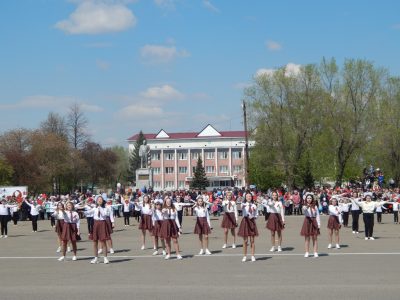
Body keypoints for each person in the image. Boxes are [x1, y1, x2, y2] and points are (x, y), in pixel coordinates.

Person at [89, 195, 110, 264]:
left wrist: (100, 207)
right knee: (95, 242)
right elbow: (89, 213)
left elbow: (104, 215)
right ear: (96, 201)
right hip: (95, 224)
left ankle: (105, 258)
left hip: (102, 224)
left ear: (103, 201)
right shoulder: (94, 208)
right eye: (98, 199)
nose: (99, 200)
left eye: (101, 199)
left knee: (103, 241)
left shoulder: (105, 208)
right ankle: (96, 258)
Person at [238, 192, 258, 262]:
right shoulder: (243, 204)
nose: (249, 197)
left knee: (252, 240)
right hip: (245, 221)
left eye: (250, 196)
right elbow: (241, 207)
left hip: (252, 221)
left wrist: (254, 216)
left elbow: (256, 214)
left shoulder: (254, 205)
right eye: (247, 196)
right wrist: (244, 206)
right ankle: (244, 256)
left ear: (252, 197)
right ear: (245, 198)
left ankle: (252, 255)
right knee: (245, 240)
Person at [301, 194, 320, 258]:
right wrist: (307, 206)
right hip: (307, 221)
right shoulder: (304, 206)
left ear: (312, 199)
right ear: (306, 199)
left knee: (314, 238)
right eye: (308, 198)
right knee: (307, 238)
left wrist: (318, 224)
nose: (309, 199)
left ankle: (315, 252)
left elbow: (317, 216)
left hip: (314, 221)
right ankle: (307, 252)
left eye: (310, 198)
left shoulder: (315, 206)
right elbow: (304, 211)